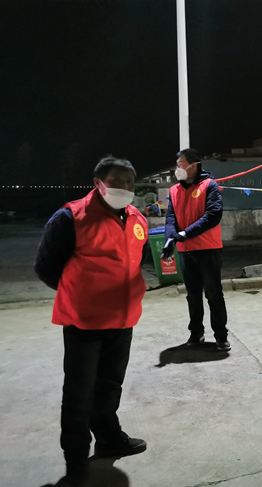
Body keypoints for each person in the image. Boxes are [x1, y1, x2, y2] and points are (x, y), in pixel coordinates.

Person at [35, 156, 148, 487]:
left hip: (123, 319)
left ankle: (109, 438)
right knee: (79, 392)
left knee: (110, 385)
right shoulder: (70, 217)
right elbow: (46, 266)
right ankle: (75, 458)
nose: (124, 186)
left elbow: (135, 261)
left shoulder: (137, 218)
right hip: (84, 322)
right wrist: (81, 293)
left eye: (129, 181)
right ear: (98, 183)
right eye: (116, 180)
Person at [163, 148, 229, 349]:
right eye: (177, 165)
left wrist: (185, 233)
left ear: (194, 165)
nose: (178, 168)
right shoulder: (174, 191)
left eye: (181, 164)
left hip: (208, 249)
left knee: (213, 293)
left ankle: (221, 335)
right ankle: (196, 332)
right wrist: (170, 238)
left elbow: (213, 215)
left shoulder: (209, 186)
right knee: (192, 295)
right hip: (185, 251)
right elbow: (171, 218)